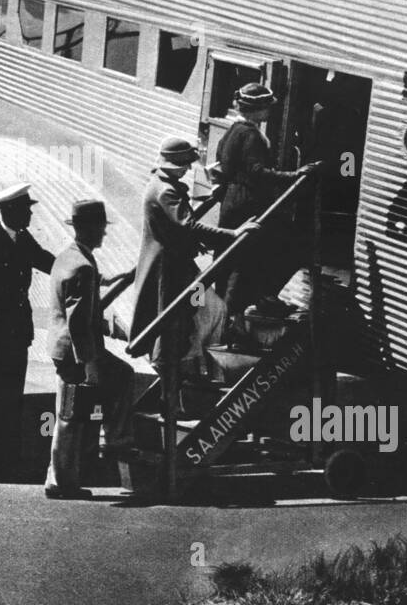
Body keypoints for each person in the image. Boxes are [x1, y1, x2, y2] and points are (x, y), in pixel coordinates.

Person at [129, 136, 247, 384]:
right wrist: (233, 234)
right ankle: (178, 369)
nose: (187, 169)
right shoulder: (166, 191)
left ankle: (191, 361)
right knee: (191, 314)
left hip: (179, 269)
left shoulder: (160, 184)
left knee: (199, 310)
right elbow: (189, 225)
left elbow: (178, 227)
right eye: (184, 165)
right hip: (171, 272)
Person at [45, 199, 135, 499]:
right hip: (76, 355)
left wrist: (113, 279)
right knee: (71, 414)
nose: (104, 233)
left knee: (67, 414)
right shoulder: (83, 266)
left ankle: (59, 478)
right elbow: (79, 322)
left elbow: (83, 284)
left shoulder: (69, 257)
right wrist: (90, 364)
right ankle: (109, 444)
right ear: (89, 228)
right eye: (100, 227)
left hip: (62, 350)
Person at [0, 184, 54, 486]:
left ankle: (5, 461)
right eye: (26, 209)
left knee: (12, 397)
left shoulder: (22, 239)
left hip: (18, 333)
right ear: (10, 211)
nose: (30, 214)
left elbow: (47, 261)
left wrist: (82, 269)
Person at [213, 83, 319, 329]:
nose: (269, 112)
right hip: (249, 204)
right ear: (256, 109)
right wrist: (295, 176)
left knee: (236, 258)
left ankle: (233, 314)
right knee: (289, 248)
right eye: (266, 108)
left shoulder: (233, 131)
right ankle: (252, 304)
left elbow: (224, 165)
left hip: (233, 201)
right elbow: (257, 172)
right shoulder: (251, 135)